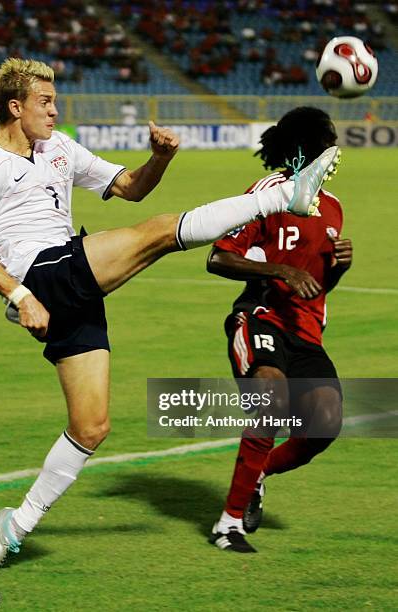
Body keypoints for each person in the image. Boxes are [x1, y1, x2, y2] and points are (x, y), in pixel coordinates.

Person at [0, 60, 339, 572]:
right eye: (45, 102)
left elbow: (131, 187)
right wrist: (20, 296)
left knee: (91, 427)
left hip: (74, 287)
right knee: (160, 233)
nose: (55, 109)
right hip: (41, 273)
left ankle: (17, 524)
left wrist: (158, 159)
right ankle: (280, 195)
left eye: (54, 100)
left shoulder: (60, 149)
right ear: (14, 107)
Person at [207, 107, 352, 553]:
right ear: (305, 149)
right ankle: (227, 525)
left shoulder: (332, 209)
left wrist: (339, 269)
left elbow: (316, 285)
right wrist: (280, 270)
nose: (334, 153)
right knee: (271, 398)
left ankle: (259, 474)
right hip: (261, 316)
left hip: (306, 331)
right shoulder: (268, 192)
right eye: (328, 143)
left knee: (325, 423)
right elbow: (218, 257)